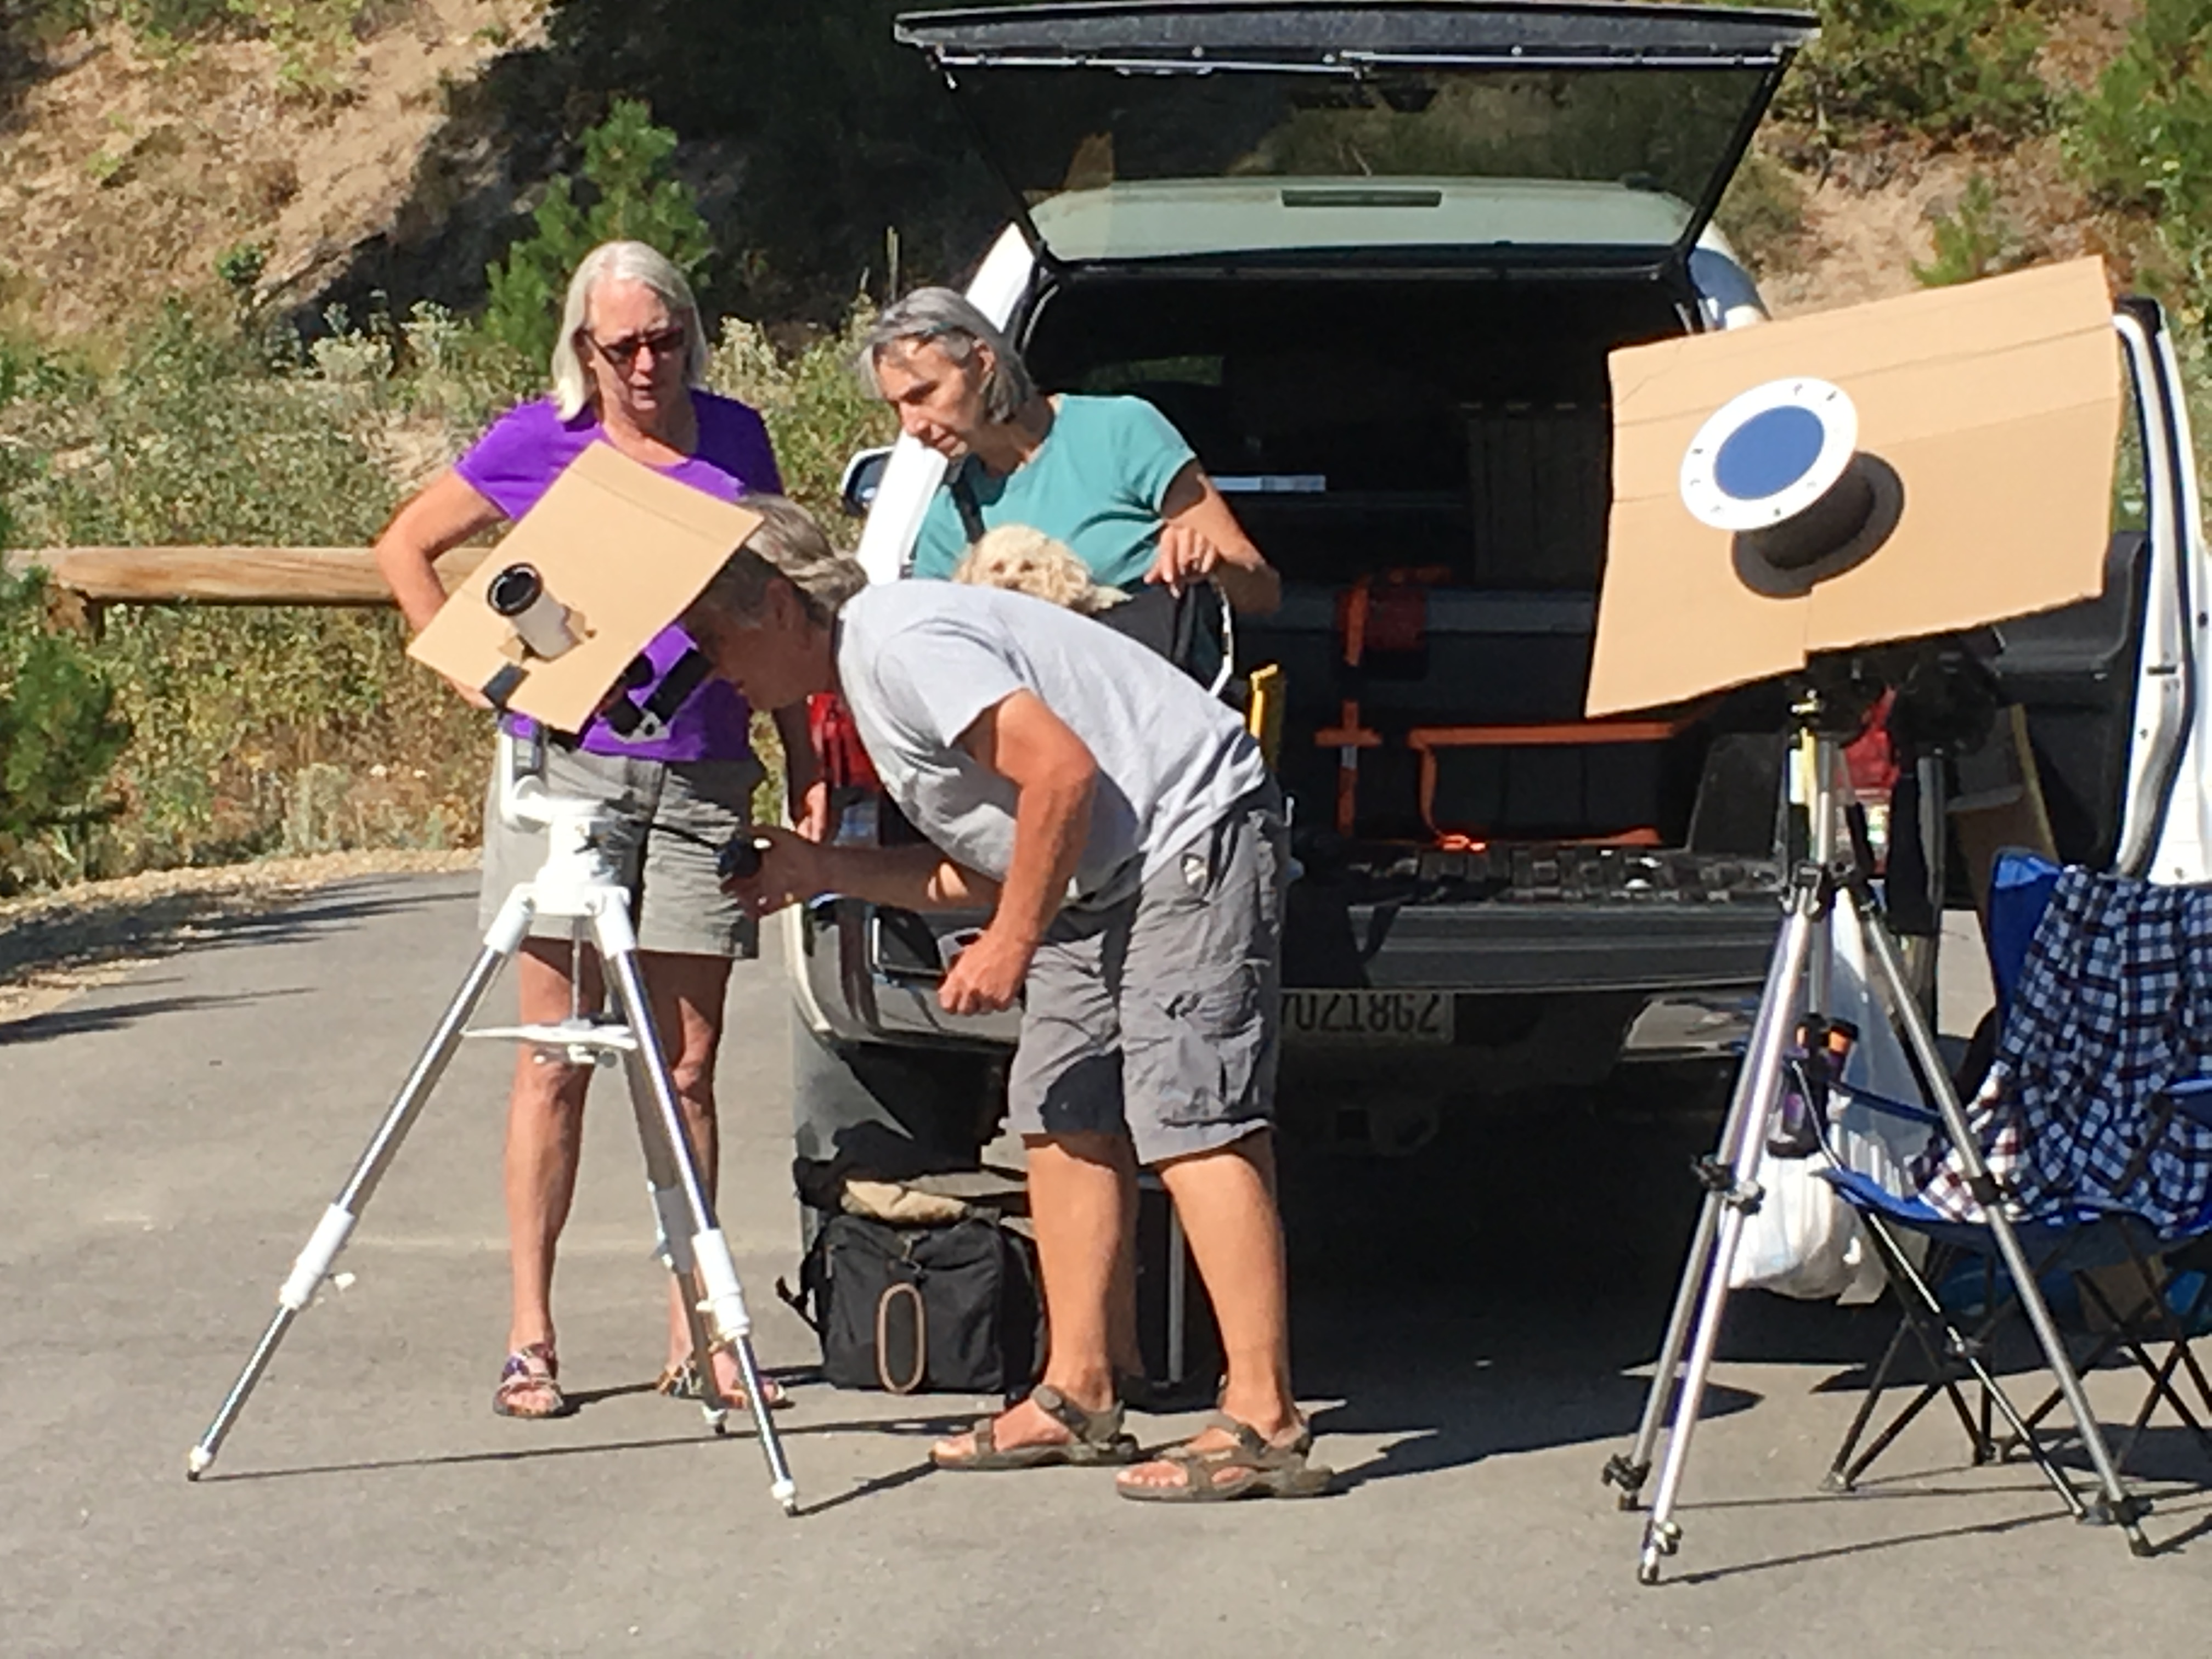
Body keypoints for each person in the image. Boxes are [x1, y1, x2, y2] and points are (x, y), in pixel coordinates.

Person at [684, 495, 1332, 1503]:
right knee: (1059, 1106)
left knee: (1191, 1115)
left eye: (713, 636)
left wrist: (1014, 939)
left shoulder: (898, 646)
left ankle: (1262, 1417)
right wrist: (822, 864)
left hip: (1190, 835)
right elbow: (997, 859)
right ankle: (1076, 1389)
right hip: (1099, 869)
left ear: (776, 604)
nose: (713, 666)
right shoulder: (865, 670)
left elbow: (1061, 776)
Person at [374, 240, 816, 1420]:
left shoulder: (735, 437)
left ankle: (702, 1331)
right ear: (583, 348)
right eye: (619, 345)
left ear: (690, 335)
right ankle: (532, 1336)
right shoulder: (536, 439)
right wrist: (480, 679)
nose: (643, 364)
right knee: (556, 1056)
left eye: (663, 339)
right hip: (569, 776)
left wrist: (808, 752)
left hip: (705, 770)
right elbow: (405, 548)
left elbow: (783, 600)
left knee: (688, 1067)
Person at [856, 286, 1280, 617]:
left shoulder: (1120, 431)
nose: (911, 426)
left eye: (924, 394)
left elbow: (1263, 593)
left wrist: (1212, 564)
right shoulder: (949, 518)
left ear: (982, 361)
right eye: (897, 407)